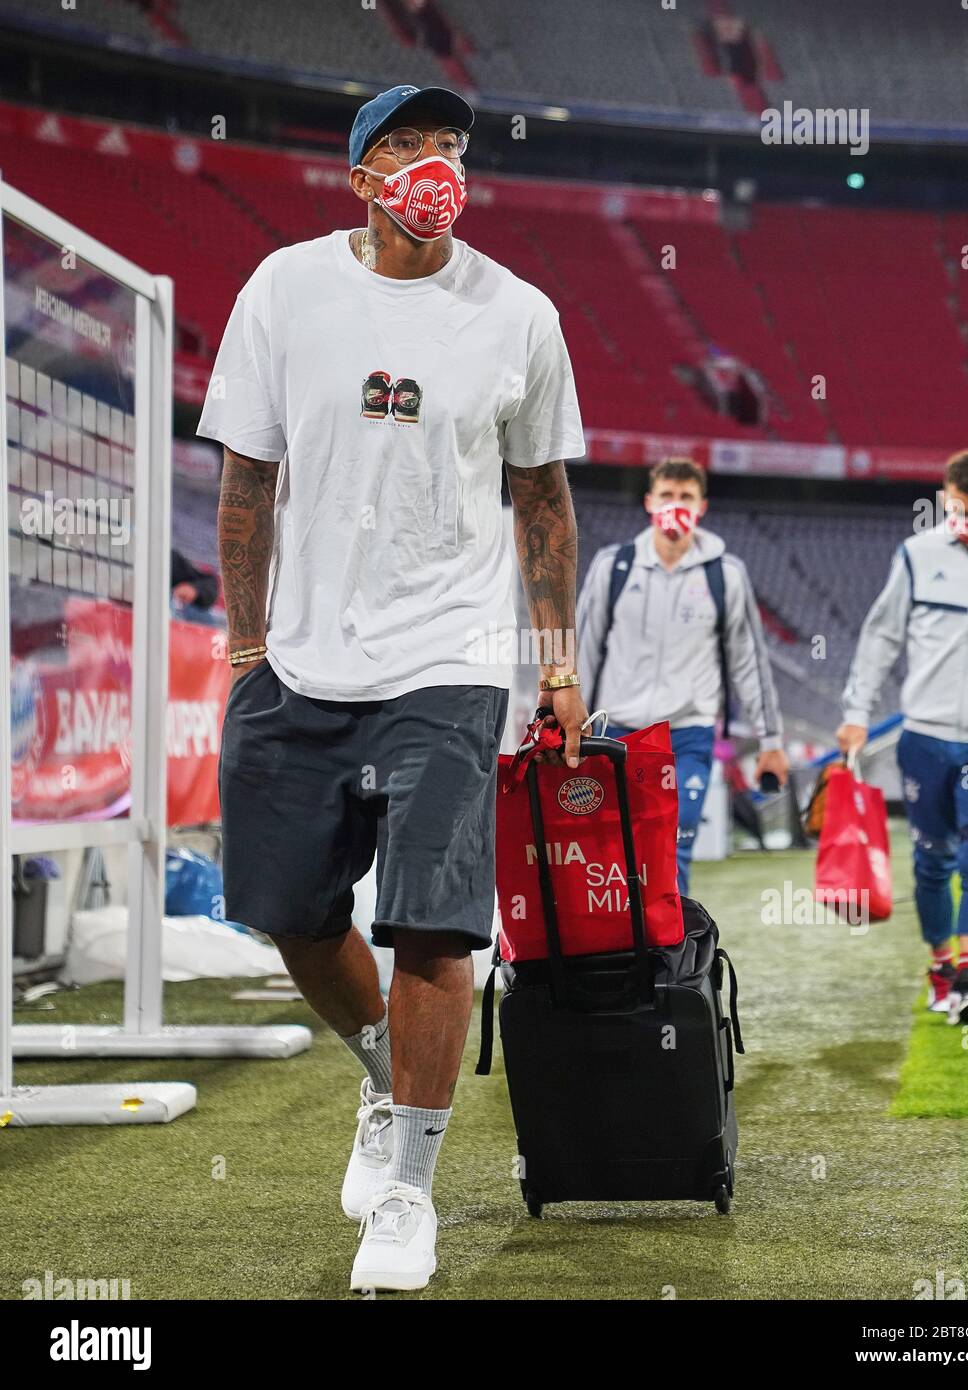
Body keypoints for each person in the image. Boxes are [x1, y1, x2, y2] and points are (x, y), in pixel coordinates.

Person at [197, 84, 587, 1292]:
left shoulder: (516, 314)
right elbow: (247, 485)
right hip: (303, 657)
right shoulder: (284, 289)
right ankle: (386, 1071)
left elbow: (543, 499)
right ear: (360, 175)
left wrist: (552, 658)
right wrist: (248, 646)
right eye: (408, 147)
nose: (436, 166)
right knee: (286, 910)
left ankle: (407, 1192)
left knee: (431, 918)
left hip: (450, 659)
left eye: (451, 147)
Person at [838, 450, 968, 1025]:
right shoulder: (917, 557)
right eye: (959, 507)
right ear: (946, 500)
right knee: (932, 862)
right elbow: (880, 639)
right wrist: (856, 711)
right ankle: (941, 966)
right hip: (923, 739)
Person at [576, 458, 787, 891]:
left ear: (702, 506)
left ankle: (671, 953)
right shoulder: (613, 566)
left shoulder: (725, 575)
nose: (676, 505)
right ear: (649, 502)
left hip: (687, 733)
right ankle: (621, 948)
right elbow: (581, 646)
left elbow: (749, 660)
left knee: (675, 840)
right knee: (615, 849)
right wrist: (571, 717)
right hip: (618, 731)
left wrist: (771, 742)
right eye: (667, 496)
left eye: (686, 497)